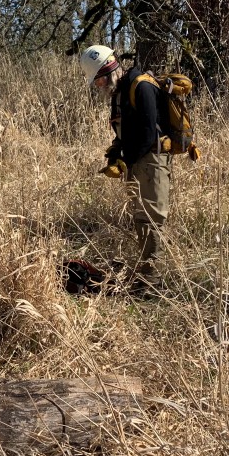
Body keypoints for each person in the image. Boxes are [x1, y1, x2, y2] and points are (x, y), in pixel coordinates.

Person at [79, 45, 172, 287]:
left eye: (99, 82)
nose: (100, 88)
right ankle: (146, 272)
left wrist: (124, 161)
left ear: (109, 72)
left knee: (152, 217)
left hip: (152, 161)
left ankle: (153, 279)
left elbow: (148, 133)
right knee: (141, 216)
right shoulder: (119, 93)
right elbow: (125, 133)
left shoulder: (141, 86)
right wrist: (115, 154)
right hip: (135, 162)